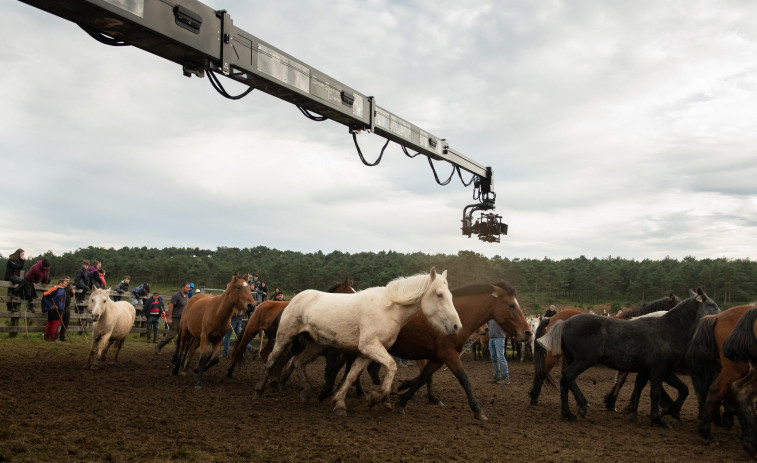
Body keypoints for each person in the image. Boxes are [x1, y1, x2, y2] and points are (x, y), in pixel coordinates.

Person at [155, 282, 191, 354]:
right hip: (175, 318)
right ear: (182, 287)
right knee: (171, 336)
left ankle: (180, 350)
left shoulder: (186, 296)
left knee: (182, 336)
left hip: (183, 319)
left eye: (189, 287)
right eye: (187, 287)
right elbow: (171, 306)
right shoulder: (176, 295)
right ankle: (158, 346)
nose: (189, 289)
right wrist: (169, 318)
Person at [487, 318, 510, 385]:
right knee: (493, 358)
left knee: (501, 357)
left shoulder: (500, 316)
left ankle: (506, 377)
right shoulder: (490, 318)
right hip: (491, 338)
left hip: (499, 338)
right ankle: (497, 376)